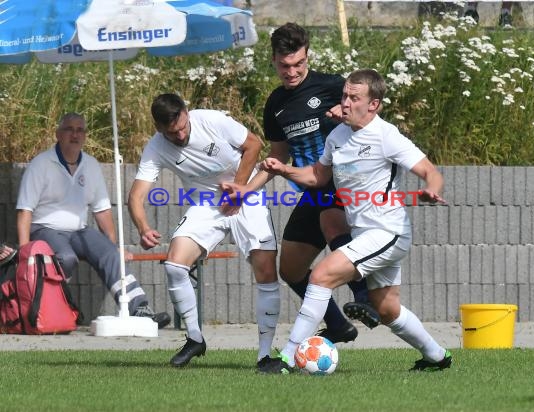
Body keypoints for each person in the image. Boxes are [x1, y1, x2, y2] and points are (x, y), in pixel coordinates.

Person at [257, 69, 452, 373]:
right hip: (365, 235)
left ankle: (286, 358)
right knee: (387, 310)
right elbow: (317, 176)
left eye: (353, 97)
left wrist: (432, 190)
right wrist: (284, 170)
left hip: (389, 231)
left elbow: (431, 172)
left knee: (321, 274)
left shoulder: (386, 136)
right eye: (344, 95)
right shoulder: (337, 136)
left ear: (373, 104)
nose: (345, 102)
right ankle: (438, 356)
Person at [127, 93, 281, 371]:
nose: (181, 134)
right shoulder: (156, 147)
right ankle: (194, 338)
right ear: (159, 129)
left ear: (187, 112)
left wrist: (238, 189)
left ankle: (265, 355)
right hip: (206, 203)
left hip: (244, 195)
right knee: (175, 265)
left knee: (266, 271)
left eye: (183, 126)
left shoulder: (211, 120)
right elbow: (136, 196)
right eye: (172, 133)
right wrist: (144, 227)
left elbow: (254, 145)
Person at [258, 22, 380, 342]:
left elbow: (371, 119)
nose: (292, 71)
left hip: (345, 181)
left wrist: (348, 115)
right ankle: (338, 325)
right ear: (273, 60)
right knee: (291, 270)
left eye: (299, 63)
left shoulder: (332, 87)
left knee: (332, 222)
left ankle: (364, 297)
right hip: (312, 188)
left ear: (307, 57)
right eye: (285, 65)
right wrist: (245, 190)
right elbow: (278, 156)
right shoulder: (275, 105)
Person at [16, 113, 170, 329]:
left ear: (85, 136)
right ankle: (59, 308)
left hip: (79, 230)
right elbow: (25, 211)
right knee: (66, 258)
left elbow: (102, 211)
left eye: (80, 130)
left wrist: (113, 246)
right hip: (44, 228)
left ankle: (140, 309)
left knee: (111, 255)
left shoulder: (91, 165)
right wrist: (25, 253)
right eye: (69, 129)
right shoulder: (41, 164)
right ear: (58, 134)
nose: (75, 134)